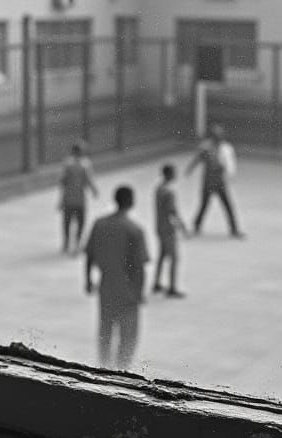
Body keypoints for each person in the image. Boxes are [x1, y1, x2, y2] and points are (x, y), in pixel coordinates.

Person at [84, 185, 150, 370]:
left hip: (106, 287)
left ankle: (103, 366)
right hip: (128, 291)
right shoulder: (134, 230)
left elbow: (89, 254)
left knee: (106, 329)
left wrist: (88, 279)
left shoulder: (100, 224)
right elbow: (139, 266)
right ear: (131, 202)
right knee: (128, 335)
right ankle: (122, 369)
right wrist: (140, 293)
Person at [185, 122, 245, 237]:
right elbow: (198, 159)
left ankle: (233, 229)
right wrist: (190, 169)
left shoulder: (218, 147)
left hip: (215, 181)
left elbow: (199, 160)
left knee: (221, 205)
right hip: (211, 181)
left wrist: (190, 169)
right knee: (208, 205)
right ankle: (197, 226)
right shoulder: (207, 148)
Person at [153, 163, 188, 297]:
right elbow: (173, 211)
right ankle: (172, 287)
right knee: (174, 258)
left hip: (159, 226)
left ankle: (156, 282)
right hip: (168, 228)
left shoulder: (158, 188)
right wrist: (182, 226)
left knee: (162, 255)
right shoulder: (169, 192)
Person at [58, 139, 99, 254]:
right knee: (80, 222)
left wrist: (61, 200)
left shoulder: (67, 164)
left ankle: (66, 243)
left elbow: (62, 182)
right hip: (80, 199)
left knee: (67, 222)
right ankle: (76, 243)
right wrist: (94, 191)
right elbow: (89, 180)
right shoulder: (85, 165)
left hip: (68, 198)